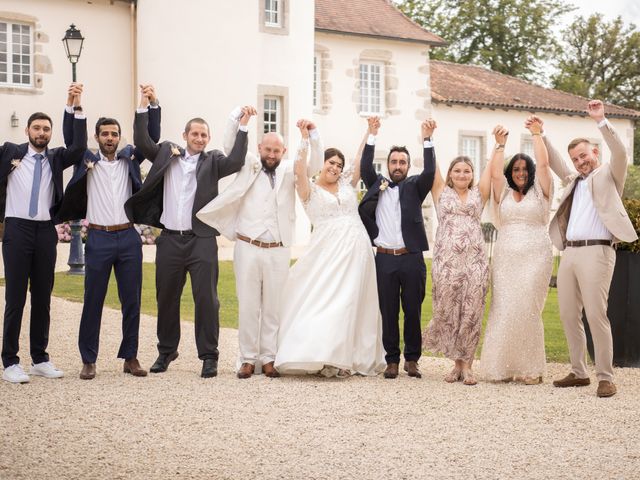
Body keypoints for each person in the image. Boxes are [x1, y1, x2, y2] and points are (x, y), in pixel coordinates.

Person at [124, 88, 250, 378]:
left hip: (202, 240)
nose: (200, 139)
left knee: (207, 299)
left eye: (204, 135)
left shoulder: (213, 160)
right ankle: (166, 351)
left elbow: (237, 161)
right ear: (185, 135)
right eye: (195, 134)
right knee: (166, 297)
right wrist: (144, 106)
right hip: (169, 239)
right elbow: (143, 142)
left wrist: (243, 126)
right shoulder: (167, 154)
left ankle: (209, 356)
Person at [197, 112, 322, 379]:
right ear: (259, 148)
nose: (272, 154)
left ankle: (269, 357)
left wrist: (312, 136)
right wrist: (238, 120)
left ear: (283, 151)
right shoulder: (248, 163)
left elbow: (313, 167)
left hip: (278, 248)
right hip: (248, 245)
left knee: (273, 306)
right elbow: (230, 146)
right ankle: (246, 358)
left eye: (277, 150)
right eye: (268, 149)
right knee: (249, 305)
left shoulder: (290, 169)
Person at [532, 100, 637, 398]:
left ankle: (606, 376)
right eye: (576, 159)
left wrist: (601, 121)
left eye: (584, 156)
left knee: (596, 314)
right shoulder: (574, 180)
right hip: (570, 253)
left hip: (598, 252)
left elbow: (620, 151)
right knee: (567, 314)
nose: (580, 162)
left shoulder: (610, 174)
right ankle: (579, 371)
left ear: (595, 153)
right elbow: (554, 162)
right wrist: (540, 133)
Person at [58, 84, 162, 380]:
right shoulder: (86, 160)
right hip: (99, 238)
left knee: (132, 300)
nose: (110, 138)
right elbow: (71, 141)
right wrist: (74, 106)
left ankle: (130, 357)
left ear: (119, 137)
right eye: (105, 134)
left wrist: (148, 104)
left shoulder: (130, 158)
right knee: (93, 300)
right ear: (97, 137)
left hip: (129, 237)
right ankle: (88, 359)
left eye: (114, 134)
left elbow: (149, 138)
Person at [274, 118, 385, 377]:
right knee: (331, 301)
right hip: (328, 252)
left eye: (338, 165)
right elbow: (300, 170)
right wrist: (304, 139)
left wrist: (370, 132)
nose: (335, 168)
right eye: (331, 163)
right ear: (322, 164)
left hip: (358, 251)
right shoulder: (308, 190)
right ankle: (323, 353)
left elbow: (359, 161)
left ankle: (347, 357)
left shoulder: (346, 185)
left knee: (353, 302)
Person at [1, 84, 87, 383]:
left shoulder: (55, 158)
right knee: (15, 298)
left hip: (45, 231)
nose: (41, 133)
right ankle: (10, 361)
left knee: (42, 297)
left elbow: (78, 148)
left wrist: (73, 105)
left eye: (46, 129)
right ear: (27, 130)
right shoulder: (10, 153)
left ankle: (40, 358)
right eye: (36, 128)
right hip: (16, 229)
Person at [358, 118, 436, 379]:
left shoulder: (415, 186)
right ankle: (391, 359)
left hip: (411, 258)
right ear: (388, 165)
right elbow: (365, 166)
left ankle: (412, 360)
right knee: (388, 311)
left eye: (402, 162)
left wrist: (427, 140)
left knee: (412, 310)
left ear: (407, 165)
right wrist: (372, 134)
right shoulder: (377, 183)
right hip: (384, 259)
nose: (398, 166)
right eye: (394, 162)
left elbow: (430, 173)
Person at [479, 119, 553, 384]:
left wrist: (536, 134)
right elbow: (495, 175)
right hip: (506, 256)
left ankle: (531, 369)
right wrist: (500, 145)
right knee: (504, 307)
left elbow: (544, 164)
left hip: (536, 256)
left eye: (524, 168)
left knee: (528, 308)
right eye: (516, 169)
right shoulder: (505, 193)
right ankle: (501, 367)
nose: (520, 172)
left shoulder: (540, 191)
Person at [422, 122, 491, 386]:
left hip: (474, 262)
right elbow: (432, 167)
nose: (462, 174)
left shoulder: (478, 193)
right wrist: (428, 138)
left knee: (472, 311)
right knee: (449, 310)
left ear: (472, 175)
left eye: (467, 170)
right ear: (450, 174)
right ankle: (455, 364)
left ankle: (468, 366)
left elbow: (491, 172)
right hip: (447, 263)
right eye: (457, 170)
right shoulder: (441, 191)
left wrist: (498, 144)